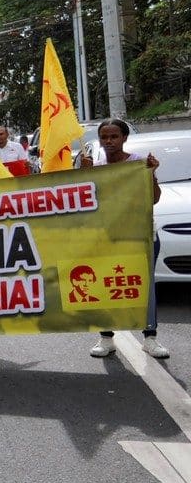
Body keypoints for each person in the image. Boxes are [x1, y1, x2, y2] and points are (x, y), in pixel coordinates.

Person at [79, 118, 168, 359]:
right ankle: (106, 338)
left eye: (114, 136)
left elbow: (153, 199)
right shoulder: (95, 166)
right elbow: (84, 202)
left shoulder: (138, 163)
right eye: (104, 137)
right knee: (104, 284)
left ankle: (150, 338)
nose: (109, 141)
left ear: (124, 138)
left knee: (145, 286)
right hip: (107, 236)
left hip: (141, 234)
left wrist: (152, 174)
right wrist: (84, 175)